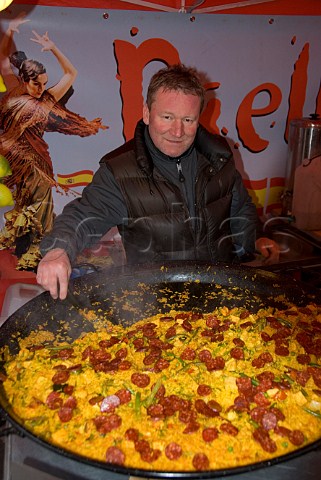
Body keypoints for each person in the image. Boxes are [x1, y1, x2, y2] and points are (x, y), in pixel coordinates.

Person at [37, 63, 279, 299]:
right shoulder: (120, 171)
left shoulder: (219, 157)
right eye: (167, 117)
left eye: (188, 120)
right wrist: (58, 250)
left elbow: (239, 208)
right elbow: (83, 216)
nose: (177, 131)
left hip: (221, 295)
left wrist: (256, 237)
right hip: (153, 303)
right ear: (146, 113)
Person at [0, 13, 107, 269]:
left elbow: (71, 73)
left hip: (37, 162)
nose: (41, 88)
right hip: (15, 161)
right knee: (24, 206)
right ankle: (28, 253)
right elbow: (3, 61)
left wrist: (54, 48)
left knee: (41, 206)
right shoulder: (13, 89)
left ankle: (40, 255)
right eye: (36, 84)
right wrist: (10, 32)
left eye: (44, 83)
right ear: (24, 79)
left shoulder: (47, 98)